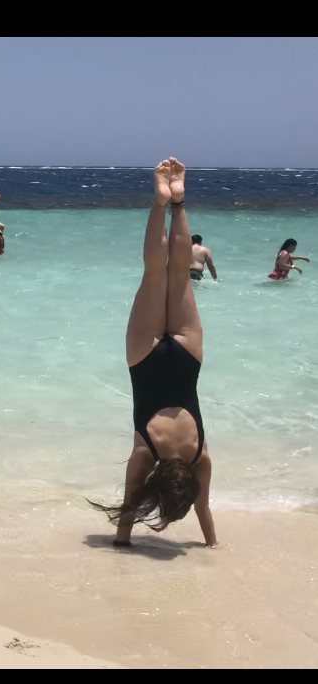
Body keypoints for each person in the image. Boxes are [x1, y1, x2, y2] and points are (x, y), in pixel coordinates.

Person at [91, 159, 216, 547]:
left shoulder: (201, 458)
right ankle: (159, 201)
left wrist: (213, 544)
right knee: (154, 273)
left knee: (176, 274)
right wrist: (122, 542)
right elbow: (129, 505)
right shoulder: (146, 453)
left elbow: (203, 508)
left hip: (187, 357)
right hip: (145, 358)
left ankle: (177, 201)